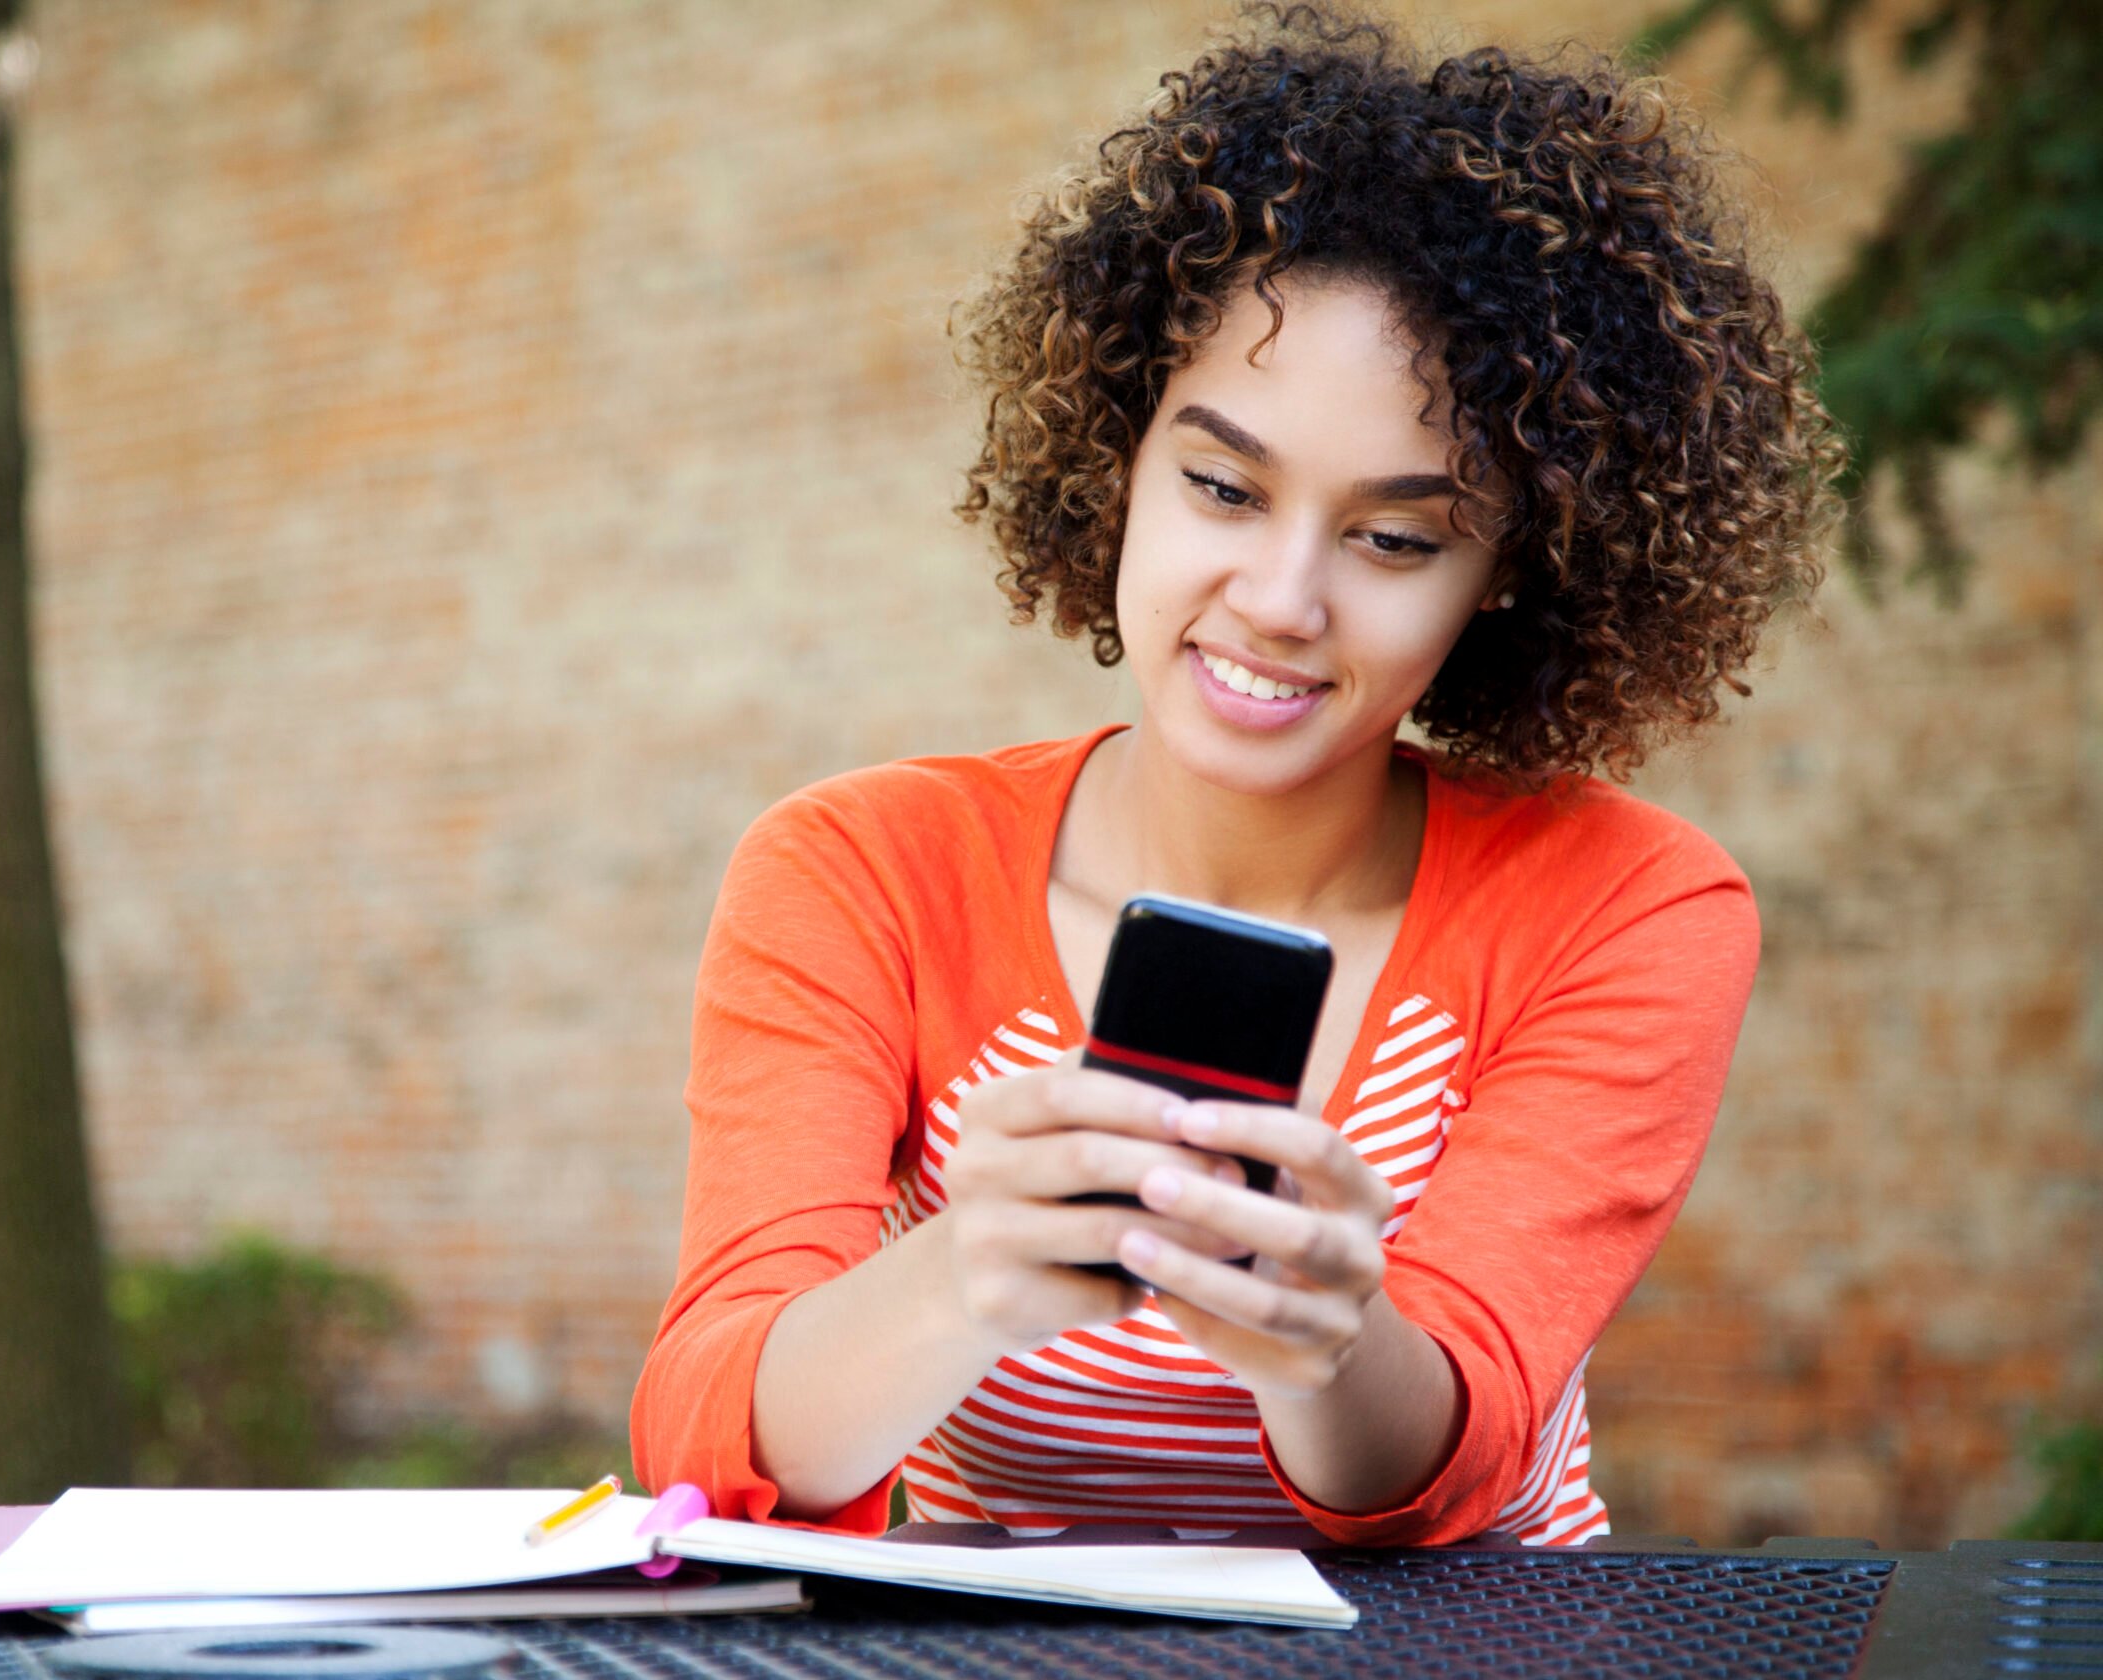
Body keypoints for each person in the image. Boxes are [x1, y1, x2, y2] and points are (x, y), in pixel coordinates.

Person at [629, 3, 1840, 1546]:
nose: (1282, 595)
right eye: (1220, 484)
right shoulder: (862, 872)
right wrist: (957, 1278)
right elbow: (702, 1439)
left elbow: (1450, 1467)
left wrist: (1322, 1337)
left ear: (1511, 576)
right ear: (1114, 455)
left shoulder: (1629, 907)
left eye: (1396, 538)